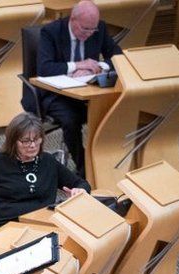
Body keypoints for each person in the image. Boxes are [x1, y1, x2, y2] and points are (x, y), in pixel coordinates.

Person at [0, 113, 90, 255]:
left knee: (76, 250)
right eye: (25, 141)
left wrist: (79, 191)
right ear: (13, 141)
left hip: (41, 226)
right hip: (5, 228)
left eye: (36, 140)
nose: (32, 145)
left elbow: (81, 183)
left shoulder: (48, 162)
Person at [36, 0, 122, 177]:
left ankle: (107, 162)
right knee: (71, 120)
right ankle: (85, 169)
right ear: (72, 20)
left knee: (111, 113)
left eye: (93, 29)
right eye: (85, 29)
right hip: (56, 95)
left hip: (88, 94)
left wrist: (97, 65)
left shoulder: (99, 29)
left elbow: (118, 57)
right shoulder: (51, 32)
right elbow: (44, 69)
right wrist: (76, 65)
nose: (90, 34)